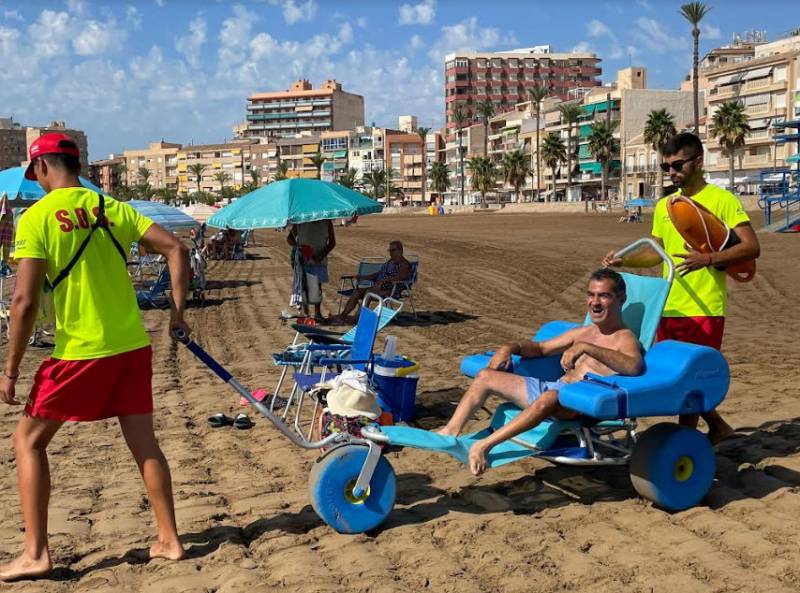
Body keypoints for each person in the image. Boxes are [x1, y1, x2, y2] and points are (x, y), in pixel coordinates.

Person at [0, 133, 191, 581]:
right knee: (144, 443)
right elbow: (176, 249)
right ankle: (170, 540)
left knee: (27, 441)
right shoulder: (112, 207)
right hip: (130, 345)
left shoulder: (37, 217)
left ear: (42, 167)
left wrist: (10, 369)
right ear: (77, 164)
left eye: (36, 175)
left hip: (80, 352)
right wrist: (177, 317)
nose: (38, 183)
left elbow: (24, 302)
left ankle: (35, 553)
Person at [602, 132, 760, 444]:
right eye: (666, 167)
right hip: (668, 304)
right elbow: (656, 252)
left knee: (692, 374)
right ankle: (717, 426)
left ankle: (685, 442)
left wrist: (710, 258)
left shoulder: (722, 200)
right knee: (676, 377)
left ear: (698, 162)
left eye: (677, 165)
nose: (671, 172)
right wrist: (625, 260)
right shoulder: (664, 206)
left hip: (704, 307)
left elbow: (751, 247)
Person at [437, 269, 643, 476]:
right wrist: (509, 348)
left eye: (604, 296)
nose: (595, 302)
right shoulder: (582, 332)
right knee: (485, 376)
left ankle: (483, 446)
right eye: (591, 294)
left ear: (621, 299)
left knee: (550, 397)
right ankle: (449, 432)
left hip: (582, 403)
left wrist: (587, 348)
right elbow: (541, 348)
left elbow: (634, 366)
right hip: (553, 390)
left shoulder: (624, 338)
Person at [332, 240, 411, 324]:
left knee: (369, 292)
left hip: (391, 290)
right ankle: (343, 316)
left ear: (400, 250)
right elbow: (377, 274)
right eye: (389, 250)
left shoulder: (404, 264)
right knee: (357, 291)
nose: (390, 253)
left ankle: (357, 317)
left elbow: (400, 277)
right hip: (377, 288)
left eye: (392, 250)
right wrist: (363, 277)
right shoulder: (389, 262)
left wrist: (383, 281)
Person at [287, 219, 336, 320]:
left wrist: (322, 254)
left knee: (317, 287)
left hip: (320, 261)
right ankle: (306, 313)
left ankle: (317, 314)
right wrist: (299, 248)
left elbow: (332, 243)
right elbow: (289, 239)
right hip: (303, 261)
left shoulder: (327, 222)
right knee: (304, 286)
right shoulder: (301, 221)